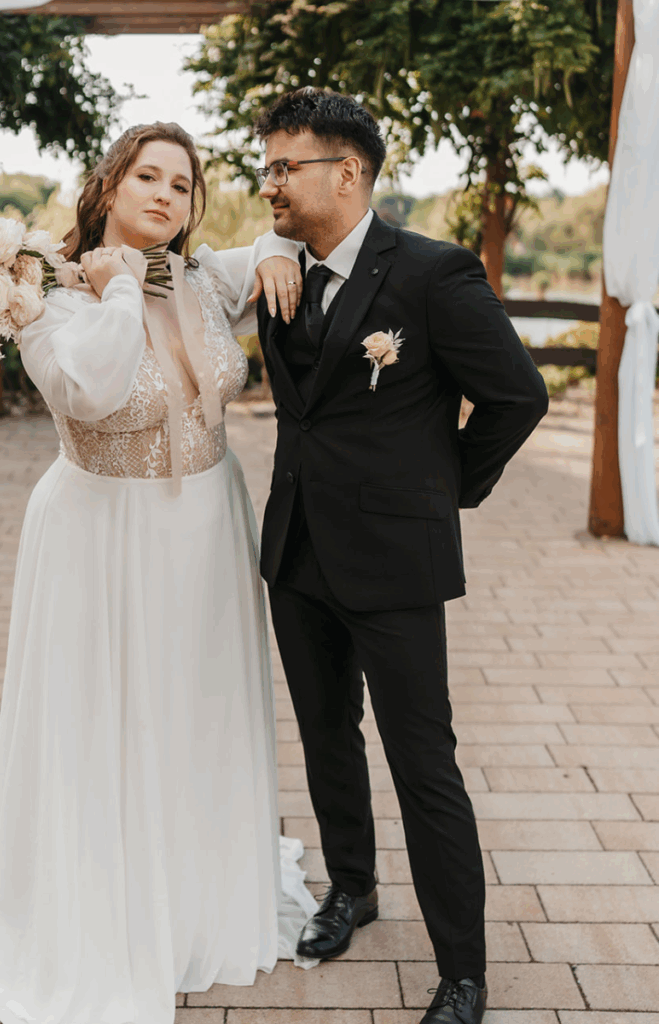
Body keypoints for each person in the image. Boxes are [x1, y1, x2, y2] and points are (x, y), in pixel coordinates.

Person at [0, 122, 318, 1024]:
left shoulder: (201, 280)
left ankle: (193, 902)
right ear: (110, 185)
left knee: (195, 708)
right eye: (148, 176)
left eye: (182, 185)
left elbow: (285, 244)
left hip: (208, 528)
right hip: (101, 535)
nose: (165, 196)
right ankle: (104, 914)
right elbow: (90, 389)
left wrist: (273, 248)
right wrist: (116, 291)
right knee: (108, 715)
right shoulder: (46, 293)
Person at [251, 88, 550, 1024]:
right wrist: (264, 249)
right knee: (325, 736)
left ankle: (462, 971)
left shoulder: (431, 273)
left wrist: (445, 488)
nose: (268, 184)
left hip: (394, 561)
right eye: (264, 167)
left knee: (423, 760)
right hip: (296, 550)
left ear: (346, 172)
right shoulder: (280, 268)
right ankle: (352, 887)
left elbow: (517, 395)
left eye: (283, 167)